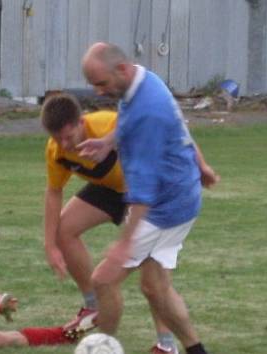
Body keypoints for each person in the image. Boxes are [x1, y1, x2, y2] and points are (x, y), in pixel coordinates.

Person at [40, 93, 218, 352]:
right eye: (58, 138)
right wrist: (49, 245)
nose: (64, 144)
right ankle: (93, 307)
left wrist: (201, 165)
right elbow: (54, 192)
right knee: (63, 230)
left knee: (153, 278)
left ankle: (166, 344)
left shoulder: (109, 124)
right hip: (111, 189)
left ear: (81, 122)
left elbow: (173, 130)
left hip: (148, 193)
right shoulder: (56, 151)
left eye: (69, 136)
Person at [77, 42, 218, 354]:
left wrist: (126, 242)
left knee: (103, 279)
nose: (99, 92)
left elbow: (143, 191)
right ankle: (197, 350)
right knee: (155, 287)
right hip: (181, 196)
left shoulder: (147, 111)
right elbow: (178, 128)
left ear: (122, 69)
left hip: (164, 206)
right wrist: (107, 143)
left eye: (101, 84)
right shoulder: (144, 80)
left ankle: (103, 348)